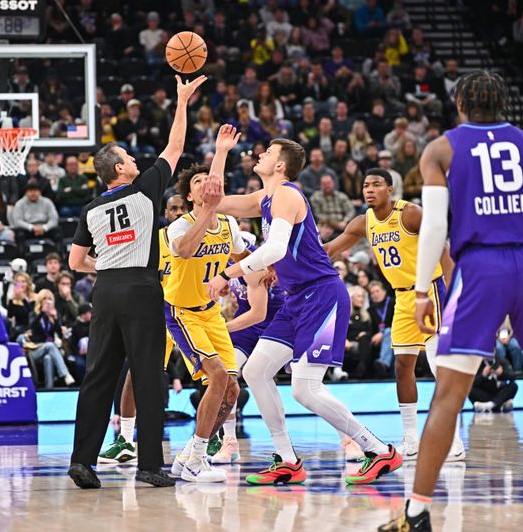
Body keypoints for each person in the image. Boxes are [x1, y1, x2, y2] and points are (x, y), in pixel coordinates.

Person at [378, 70, 523, 531]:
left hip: (480, 269)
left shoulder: (441, 148)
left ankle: (418, 513)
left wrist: (423, 290)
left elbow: (437, 227)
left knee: (447, 394)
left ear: (460, 104)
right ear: (503, 104)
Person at [207, 137, 402, 486]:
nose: (260, 153)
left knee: (304, 388)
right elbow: (215, 201)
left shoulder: (286, 194)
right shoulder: (264, 198)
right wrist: (220, 153)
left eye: (267, 152)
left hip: (322, 295)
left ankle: (377, 449)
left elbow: (277, 246)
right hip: (296, 298)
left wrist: (229, 273)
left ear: (280, 165)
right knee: (255, 372)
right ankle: (286, 460)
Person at [68, 75, 207, 490]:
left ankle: (82, 462)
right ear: (119, 169)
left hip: (106, 289)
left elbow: (77, 262)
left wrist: (108, 262)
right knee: (148, 376)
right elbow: (176, 146)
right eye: (129, 157)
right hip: (143, 288)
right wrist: (182, 100)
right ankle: (149, 465)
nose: (135, 161)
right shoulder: (145, 189)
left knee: (98, 377)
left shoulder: (91, 208)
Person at [325, 168, 465, 462]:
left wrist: (453, 295)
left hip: (431, 291)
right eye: (365, 185)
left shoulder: (410, 213)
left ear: (390, 189)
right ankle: (411, 439)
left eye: (376, 184)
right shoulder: (364, 222)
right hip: (401, 297)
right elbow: (330, 249)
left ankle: (453, 439)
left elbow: (443, 249)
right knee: (402, 365)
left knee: (439, 365)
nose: (369, 189)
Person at [166, 148, 247, 482]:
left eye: (210, 180)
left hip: (211, 314)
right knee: (216, 376)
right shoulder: (178, 227)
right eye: (199, 182)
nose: (207, 184)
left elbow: (243, 255)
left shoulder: (229, 224)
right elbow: (185, 250)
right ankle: (196, 459)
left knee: (232, 391)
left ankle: (190, 453)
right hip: (181, 312)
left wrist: (266, 270)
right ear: (189, 195)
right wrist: (205, 213)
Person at [97, 194, 187, 465]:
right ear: (166, 213)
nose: (179, 212)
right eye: (173, 208)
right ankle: (125, 440)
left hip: (194, 313)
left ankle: (218, 436)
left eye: (183, 208)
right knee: (135, 374)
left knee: (215, 373)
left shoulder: (201, 236)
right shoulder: (153, 241)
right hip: (160, 314)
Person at [212, 235, 287, 464]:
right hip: (247, 325)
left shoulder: (254, 265)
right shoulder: (227, 264)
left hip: (276, 321)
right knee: (225, 374)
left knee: (306, 383)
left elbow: (259, 313)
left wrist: (222, 328)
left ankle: (347, 439)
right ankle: (230, 442)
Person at [26, 289, 75, 389]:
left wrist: (56, 319)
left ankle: (49, 388)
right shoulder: (34, 314)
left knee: (48, 358)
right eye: (44, 298)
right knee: (50, 345)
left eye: (49, 299)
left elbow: (58, 333)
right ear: (40, 300)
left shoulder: (54, 315)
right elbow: (32, 327)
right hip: (34, 349)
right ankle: (66, 374)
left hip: (48, 350)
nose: (47, 301)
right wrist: (41, 313)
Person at [9, 181, 60, 247]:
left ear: (40, 192)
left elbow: (54, 219)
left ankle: (58, 254)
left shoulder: (47, 202)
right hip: (28, 229)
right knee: (19, 233)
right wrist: (32, 227)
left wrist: (44, 228)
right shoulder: (20, 203)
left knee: (58, 231)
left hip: (44, 229)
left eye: (35, 191)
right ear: (26, 193)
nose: (33, 193)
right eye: (30, 191)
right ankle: (21, 255)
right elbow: (17, 221)